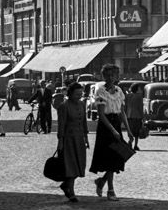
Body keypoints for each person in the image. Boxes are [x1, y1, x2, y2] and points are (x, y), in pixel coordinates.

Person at [89, 64, 133, 201]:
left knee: (117, 157)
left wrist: (129, 131)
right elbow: (101, 114)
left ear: (116, 76)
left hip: (116, 124)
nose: (110, 78)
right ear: (103, 76)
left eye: (112, 75)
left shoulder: (119, 91)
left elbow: (122, 112)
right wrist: (113, 130)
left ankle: (102, 181)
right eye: (107, 75)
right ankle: (111, 190)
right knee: (110, 158)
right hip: (106, 127)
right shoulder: (101, 91)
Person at [57, 82, 89, 202]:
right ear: (70, 93)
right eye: (77, 94)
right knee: (71, 166)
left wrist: (86, 138)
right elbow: (61, 125)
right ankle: (71, 192)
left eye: (81, 94)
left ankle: (66, 185)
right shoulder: (64, 106)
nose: (79, 96)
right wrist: (60, 141)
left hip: (79, 138)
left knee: (79, 165)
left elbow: (84, 122)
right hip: (69, 139)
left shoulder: (82, 104)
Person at [125, 83, 144, 151]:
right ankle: (135, 145)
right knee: (137, 132)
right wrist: (143, 116)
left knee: (131, 130)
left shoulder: (127, 95)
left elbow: (125, 106)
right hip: (137, 115)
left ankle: (130, 141)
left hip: (129, 115)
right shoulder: (139, 96)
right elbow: (140, 107)